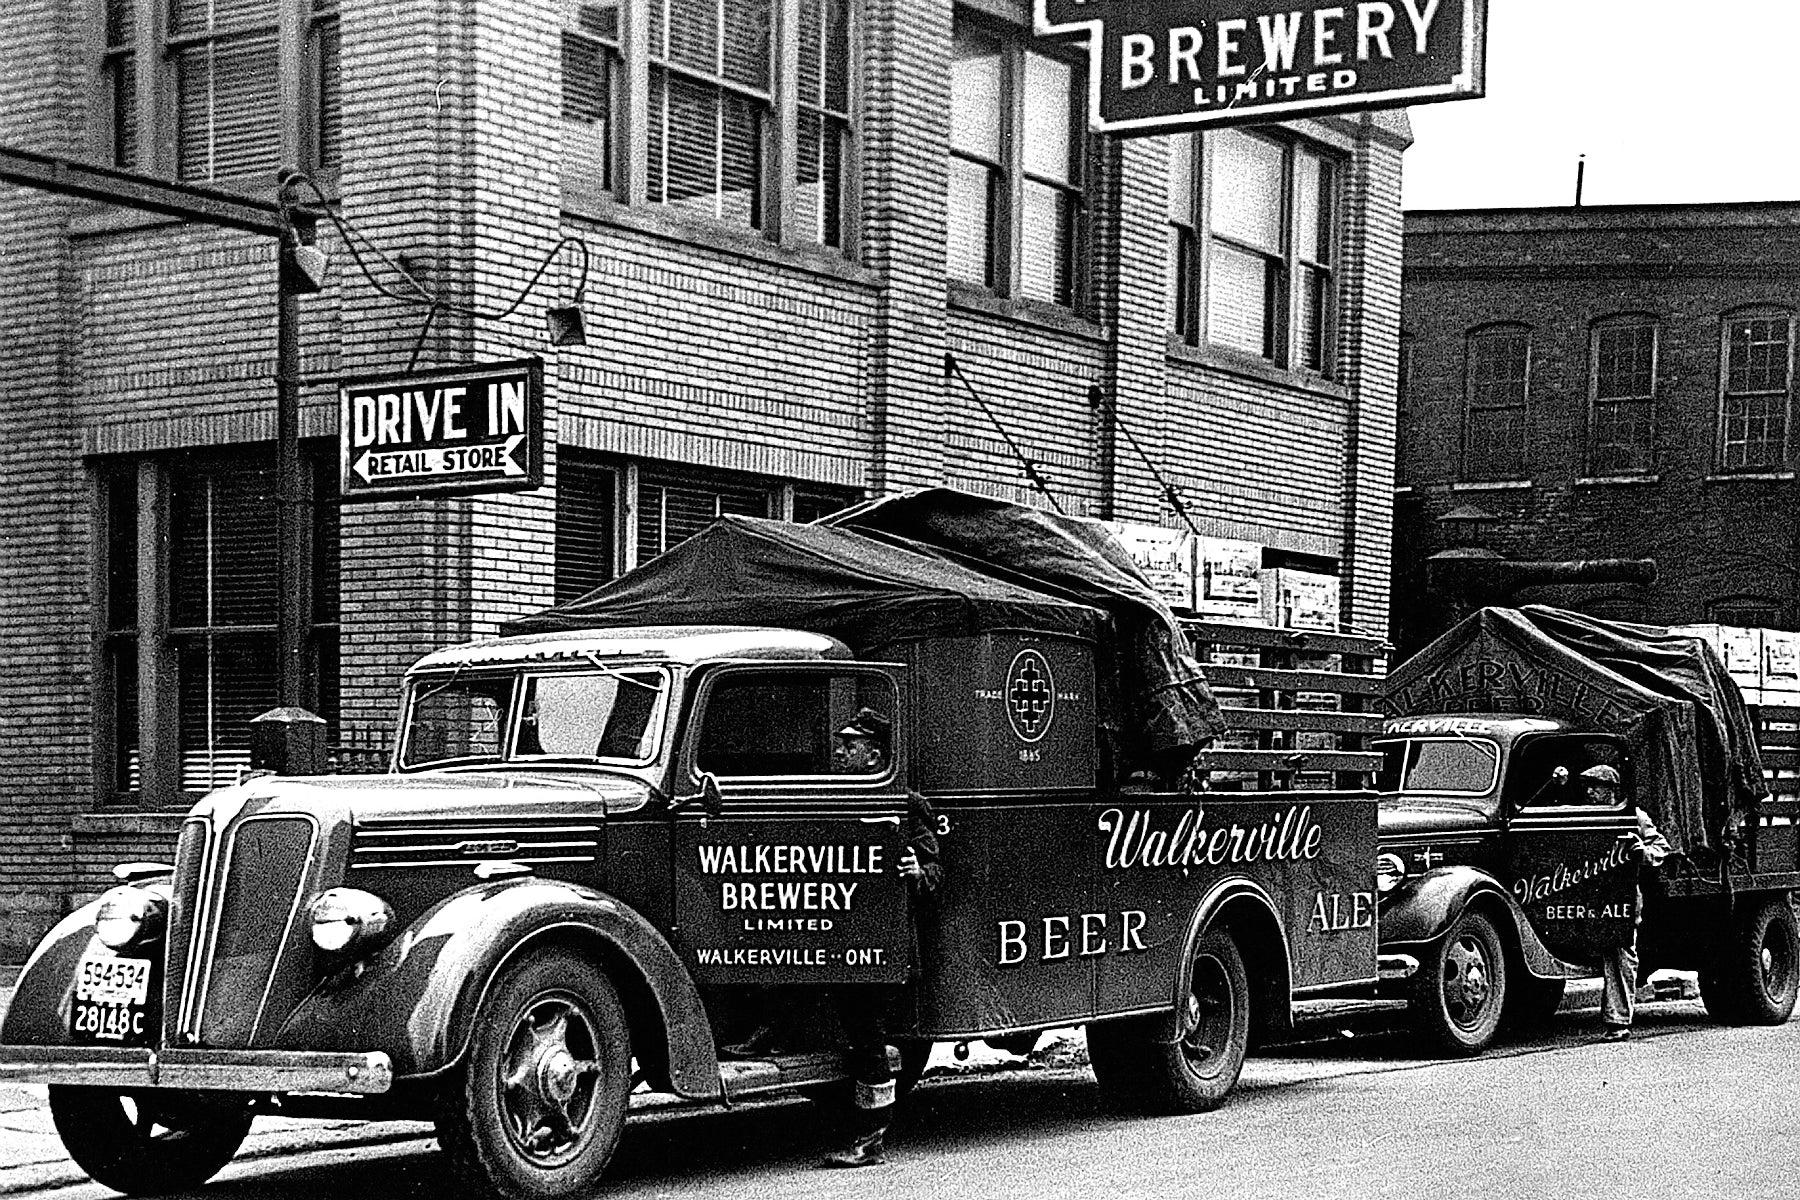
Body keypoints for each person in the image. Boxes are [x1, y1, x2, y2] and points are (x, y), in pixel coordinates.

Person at [821, 708, 942, 1168]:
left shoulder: (907, 805)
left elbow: (935, 870)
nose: (841, 751)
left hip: (877, 944)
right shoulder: (831, 796)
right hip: (835, 938)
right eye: (842, 744)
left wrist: (917, 871)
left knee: (867, 1037)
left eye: (851, 746)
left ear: (875, 755)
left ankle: (870, 1140)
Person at [1577, 764, 1670, 1041]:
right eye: (1588, 787)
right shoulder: (1582, 814)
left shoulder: (1633, 816)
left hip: (1622, 899)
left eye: (1596, 787)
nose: (1590, 792)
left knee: (1620, 954)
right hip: (1590, 897)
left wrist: (1642, 852)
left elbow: (1661, 847)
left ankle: (1618, 1022)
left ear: (1612, 790)